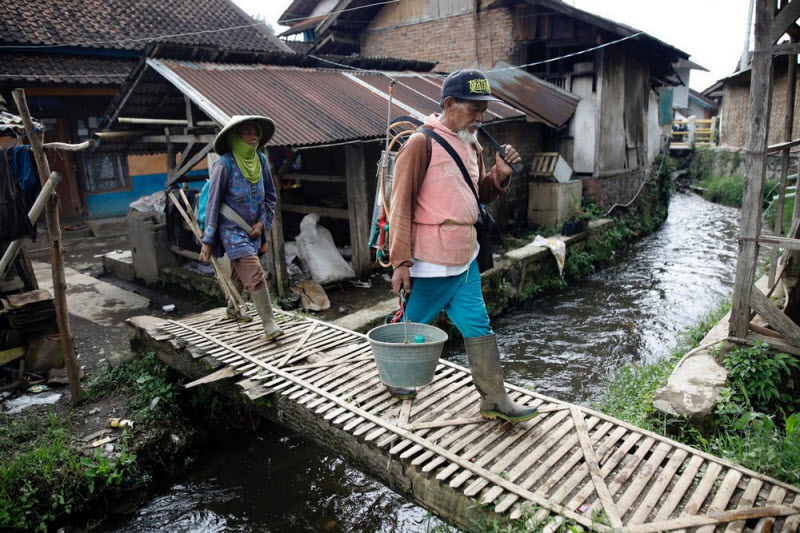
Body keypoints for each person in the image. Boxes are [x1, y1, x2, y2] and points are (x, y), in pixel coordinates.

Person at [388, 70, 537, 423]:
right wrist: (400, 262)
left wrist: (499, 174)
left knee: (478, 326)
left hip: (464, 256)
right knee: (414, 323)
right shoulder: (419, 144)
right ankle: (395, 377)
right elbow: (401, 204)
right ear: (450, 105)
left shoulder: (471, 144)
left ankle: (495, 400)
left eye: (484, 109)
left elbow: (478, 196)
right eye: (475, 109)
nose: (480, 117)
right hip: (432, 259)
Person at [198, 115, 282, 340]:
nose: (253, 137)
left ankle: (233, 309)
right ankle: (269, 324)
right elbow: (213, 203)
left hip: (254, 228)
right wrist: (208, 240)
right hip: (230, 230)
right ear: (235, 138)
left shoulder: (261, 161)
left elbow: (270, 196)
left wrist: (262, 222)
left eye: (255, 133)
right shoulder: (223, 165)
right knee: (254, 272)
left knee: (239, 271)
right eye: (246, 133)